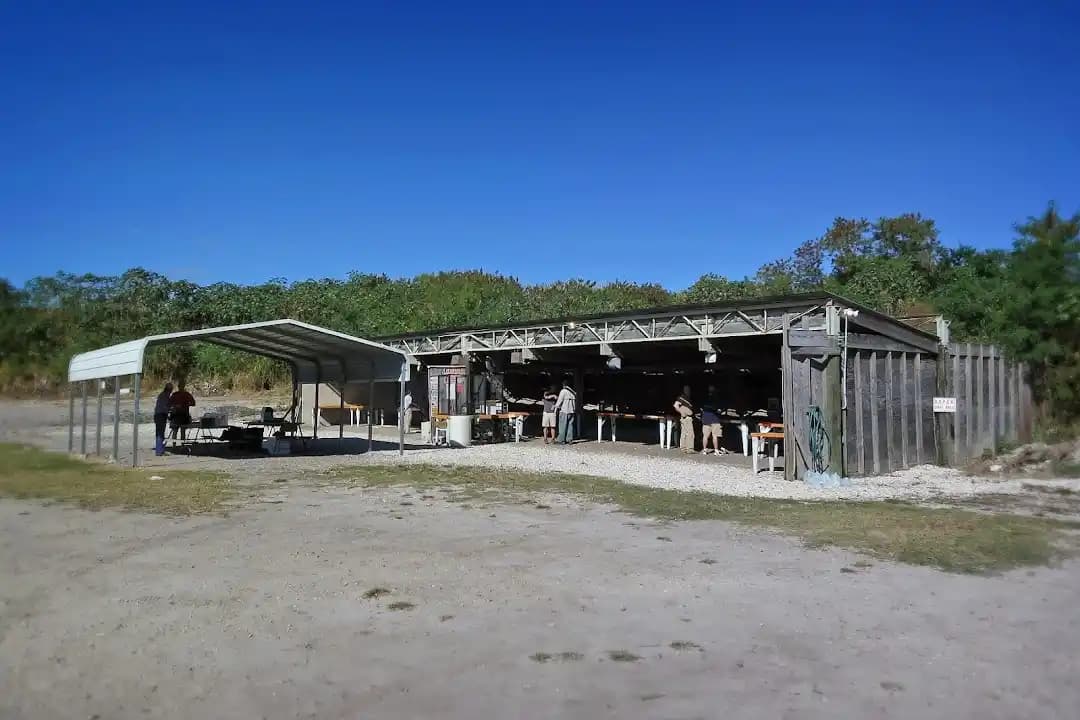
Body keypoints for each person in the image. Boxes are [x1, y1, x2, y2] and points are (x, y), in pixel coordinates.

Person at [700, 384, 725, 455]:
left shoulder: (704, 398)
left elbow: (701, 408)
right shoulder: (716, 398)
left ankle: (704, 450)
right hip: (714, 419)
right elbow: (719, 409)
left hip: (705, 419)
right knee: (715, 436)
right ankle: (716, 450)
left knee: (705, 436)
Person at [153, 382, 173, 456]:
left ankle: (160, 449)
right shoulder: (165, 396)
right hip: (160, 415)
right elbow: (165, 407)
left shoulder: (162, 395)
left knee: (159, 433)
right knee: (160, 433)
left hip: (158, 415)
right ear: (169, 390)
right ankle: (159, 451)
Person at [673, 386, 695, 453]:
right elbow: (676, 405)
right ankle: (690, 449)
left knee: (684, 433)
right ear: (684, 390)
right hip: (686, 417)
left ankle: (683, 448)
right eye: (687, 390)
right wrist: (681, 412)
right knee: (690, 433)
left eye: (689, 390)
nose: (688, 391)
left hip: (687, 417)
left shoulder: (688, 398)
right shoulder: (682, 397)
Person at [554, 379, 577, 445]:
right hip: (572, 410)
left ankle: (561, 440)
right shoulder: (573, 392)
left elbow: (560, 400)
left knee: (562, 425)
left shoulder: (563, 391)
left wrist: (556, 407)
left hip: (564, 410)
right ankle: (569, 439)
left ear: (564, 384)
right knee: (570, 425)